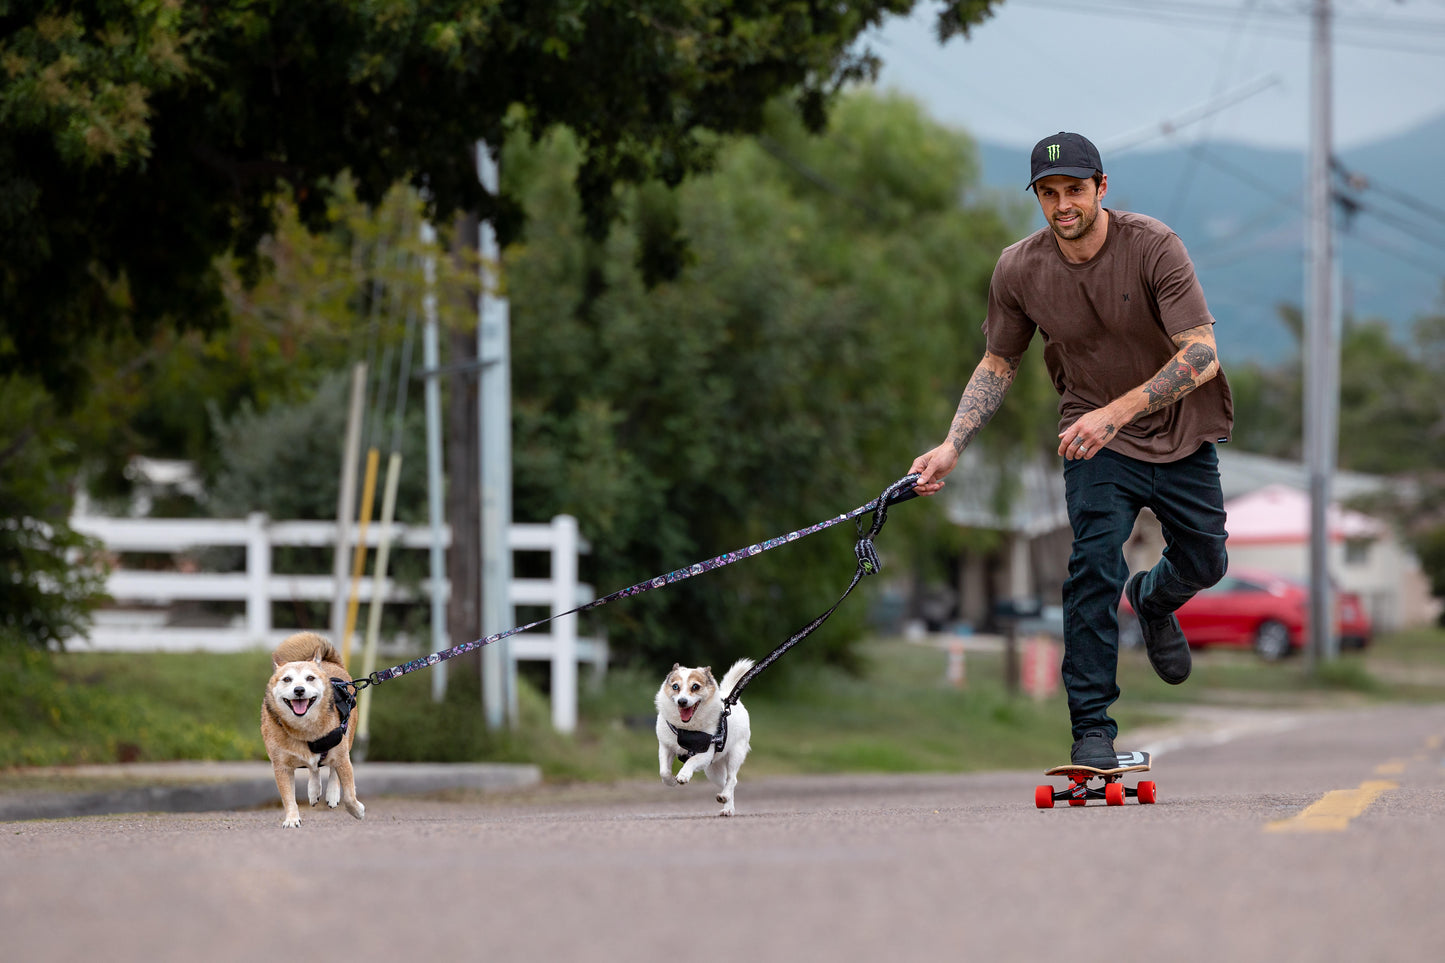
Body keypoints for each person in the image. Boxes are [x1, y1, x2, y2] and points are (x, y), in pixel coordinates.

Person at [908, 132, 1232, 768]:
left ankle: (1155, 598)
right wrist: (952, 444)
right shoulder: (1018, 268)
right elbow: (999, 361)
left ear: (1101, 189)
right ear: (1038, 196)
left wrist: (1120, 411)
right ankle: (1092, 730)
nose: (1063, 205)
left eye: (1075, 191)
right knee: (1091, 568)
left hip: (1178, 431)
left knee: (1207, 561)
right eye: (1049, 193)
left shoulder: (1154, 246)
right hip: (1092, 439)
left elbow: (1201, 354)